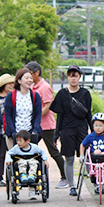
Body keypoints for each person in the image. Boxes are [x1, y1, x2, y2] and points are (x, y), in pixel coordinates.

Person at [50, 65, 92, 196]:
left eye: (76, 75)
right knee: (69, 158)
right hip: (67, 129)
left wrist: (95, 131)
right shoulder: (62, 94)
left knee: (86, 157)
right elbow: (59, 115)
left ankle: (96, 184)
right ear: (67, 77)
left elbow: (88, 113)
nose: (73, 78)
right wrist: (56, 134)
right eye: (71, 75)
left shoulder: (85, 93)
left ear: (80, 77)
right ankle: (72, 186)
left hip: (81, 128)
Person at [26, 61, 68, 189]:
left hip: (47, 127)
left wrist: (36, 119)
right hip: (35, 126)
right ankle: (31, 176)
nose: (28, 77)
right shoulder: (31, 87)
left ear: (37, 72)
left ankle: (65, 177)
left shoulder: (44, 87)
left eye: (30, 74)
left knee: (54, 152)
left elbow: (48, 106)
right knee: (29, 150)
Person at [79, 113, 104, 195]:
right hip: (94, 157)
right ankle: (97, 183)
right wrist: (82, 155)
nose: (98, 128)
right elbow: (82, 145)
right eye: (96, 125)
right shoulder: (90, 136)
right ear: (93, 126)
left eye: (100, 126)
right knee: (96, 152)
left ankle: (103, 178)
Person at [7, 130, 49, 200]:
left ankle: (32, 176)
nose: (18, 143)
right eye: (17, 141)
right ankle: (23, 175)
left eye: (20, 141)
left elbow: (42, 152)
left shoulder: (34, 147)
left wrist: (45, 160)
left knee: (33, 163)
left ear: (28, 141)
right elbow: (9, 153)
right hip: (21, 161)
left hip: (32, 160)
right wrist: (9, 160)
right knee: (22, 163)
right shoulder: (16, 148)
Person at [4, 68, 42, 146]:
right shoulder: (11, 96)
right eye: (26, 78)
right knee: (16, 157)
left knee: (30, 156)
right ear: (19, 81)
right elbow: (7, 114)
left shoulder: (35, 96)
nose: (29, 80)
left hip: (30, 133)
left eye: (31, 78)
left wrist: (35, 130)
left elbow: (38, 114)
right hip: (15, 133)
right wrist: (13, 132)